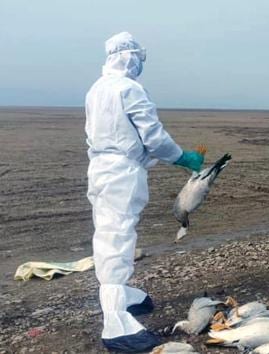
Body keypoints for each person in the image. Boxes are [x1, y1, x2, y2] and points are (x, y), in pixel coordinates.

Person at [85, 32, 204, 352]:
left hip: (101, 169)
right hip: (121, 174)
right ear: (129, 57)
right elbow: (153, 137)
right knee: (116, 236)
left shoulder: (97, 89)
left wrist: (160, 156)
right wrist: (181, 156)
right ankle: (115, 323)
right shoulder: (129, 89)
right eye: (138, 57)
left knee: (107, 231)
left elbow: (123, 138)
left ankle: (122, 294)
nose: (139, 63)